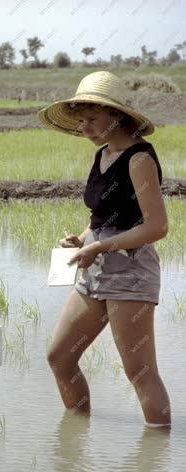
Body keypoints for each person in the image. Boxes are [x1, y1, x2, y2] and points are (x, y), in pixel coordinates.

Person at [37, 71, 171, 428]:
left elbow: (157, 226)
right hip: (95, 267)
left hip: (130, 270)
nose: (85, 128)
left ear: (117, 116)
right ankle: (75, 437)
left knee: (139, 372)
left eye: (93, 120)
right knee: (60, 357)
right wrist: (82, 240)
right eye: (81, 121)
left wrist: (101, 245)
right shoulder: (102, 156)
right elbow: (101, 217)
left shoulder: (139, 159)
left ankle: (155, 461)